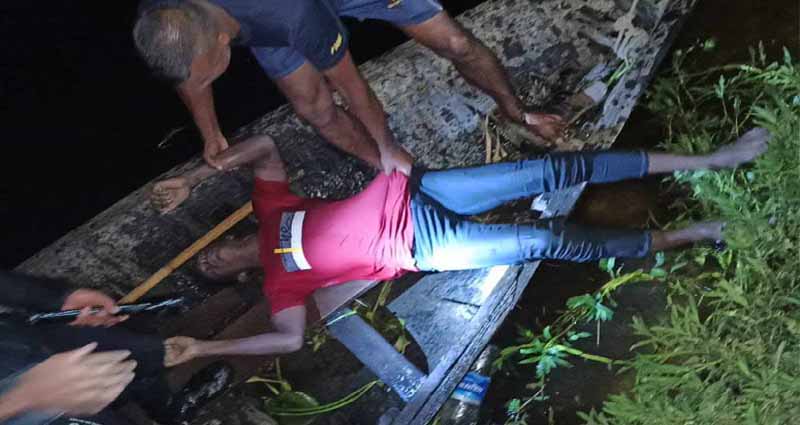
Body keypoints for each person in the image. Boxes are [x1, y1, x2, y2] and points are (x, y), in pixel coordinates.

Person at [150, 127, 771, 366]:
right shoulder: (281, 284)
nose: (212, 257)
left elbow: (264, 147)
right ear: (235, 279)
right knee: (548, 239)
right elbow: (286, 340)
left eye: (208, 252)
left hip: (417, 189)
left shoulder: (271, 210)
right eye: (211, 268)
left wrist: (198, 176)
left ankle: (712, 159)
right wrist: (205, 346)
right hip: (428, 246)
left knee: (554, 169)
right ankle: (688, 234)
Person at [132, 0, 566, 174]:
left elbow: (354, 89)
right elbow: (185, 71)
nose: (199, 85)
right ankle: (400, 176)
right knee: (314, 110)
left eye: (206, 76)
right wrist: (210, 132)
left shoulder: (291, 14)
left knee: (454, 42)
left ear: (221, 43)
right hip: (264, 26)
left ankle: (517, 111)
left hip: (289, 13)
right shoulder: (162, 16)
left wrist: (386, 141)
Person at [0, 271, 229, 425]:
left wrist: (52, 298)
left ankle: (170, 411)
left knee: (138, 348)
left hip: (13, 341)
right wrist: (20, 399)